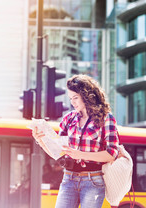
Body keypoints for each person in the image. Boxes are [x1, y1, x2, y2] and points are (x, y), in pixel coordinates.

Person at [32, 74, 120, 208]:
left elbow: (111, 154)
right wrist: (41, 140)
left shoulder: (106, 118)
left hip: (93, 181)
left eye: (75, 98)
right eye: (70, 98)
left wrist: (80, 154)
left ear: (87, 96)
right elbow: (59, 152)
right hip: (69, 179)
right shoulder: (68, 119)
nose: (72, 102)